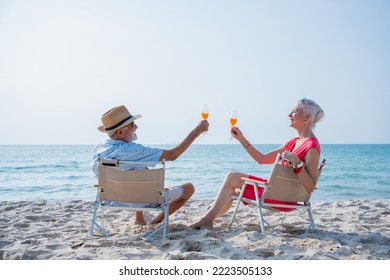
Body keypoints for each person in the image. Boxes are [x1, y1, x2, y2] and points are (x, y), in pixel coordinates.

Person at [190, 98, 324, 229]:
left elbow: (310, 187)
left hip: (282, 198)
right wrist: (242, 139)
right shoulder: (293, 142)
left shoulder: (312, 146)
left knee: (232, 179)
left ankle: (206, 220)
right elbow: (262, 159)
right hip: (275, 192)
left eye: (294, 111)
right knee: (233, 186)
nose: (289, 115)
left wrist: (297, 163)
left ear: (307, 117)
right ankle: (208, 219)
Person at [92, 105, 209, 225]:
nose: (136, 127)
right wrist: (196, 132)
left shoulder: (98, 150)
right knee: (189, 188)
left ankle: (139, 219)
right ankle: (155, 222)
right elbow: (172, 155)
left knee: (137, 168)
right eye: (132, 124)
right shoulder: (133, 150)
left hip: (111, 200)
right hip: (143, 200)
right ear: (121, 131)